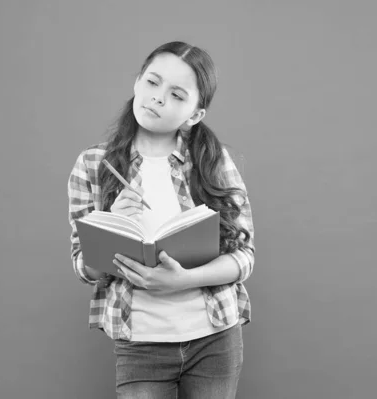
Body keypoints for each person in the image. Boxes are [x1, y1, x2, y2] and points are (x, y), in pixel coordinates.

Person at [68, 41, 255, 399]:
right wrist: (107, 225)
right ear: (137, 82)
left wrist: (184, 280)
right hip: (140, 344)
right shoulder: (93, 165)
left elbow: (245, 257)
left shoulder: (213, 162)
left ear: (194, 114)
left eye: (176, 94)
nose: (157, 98)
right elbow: (82, 266)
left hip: (214, 338)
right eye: (152, 83)